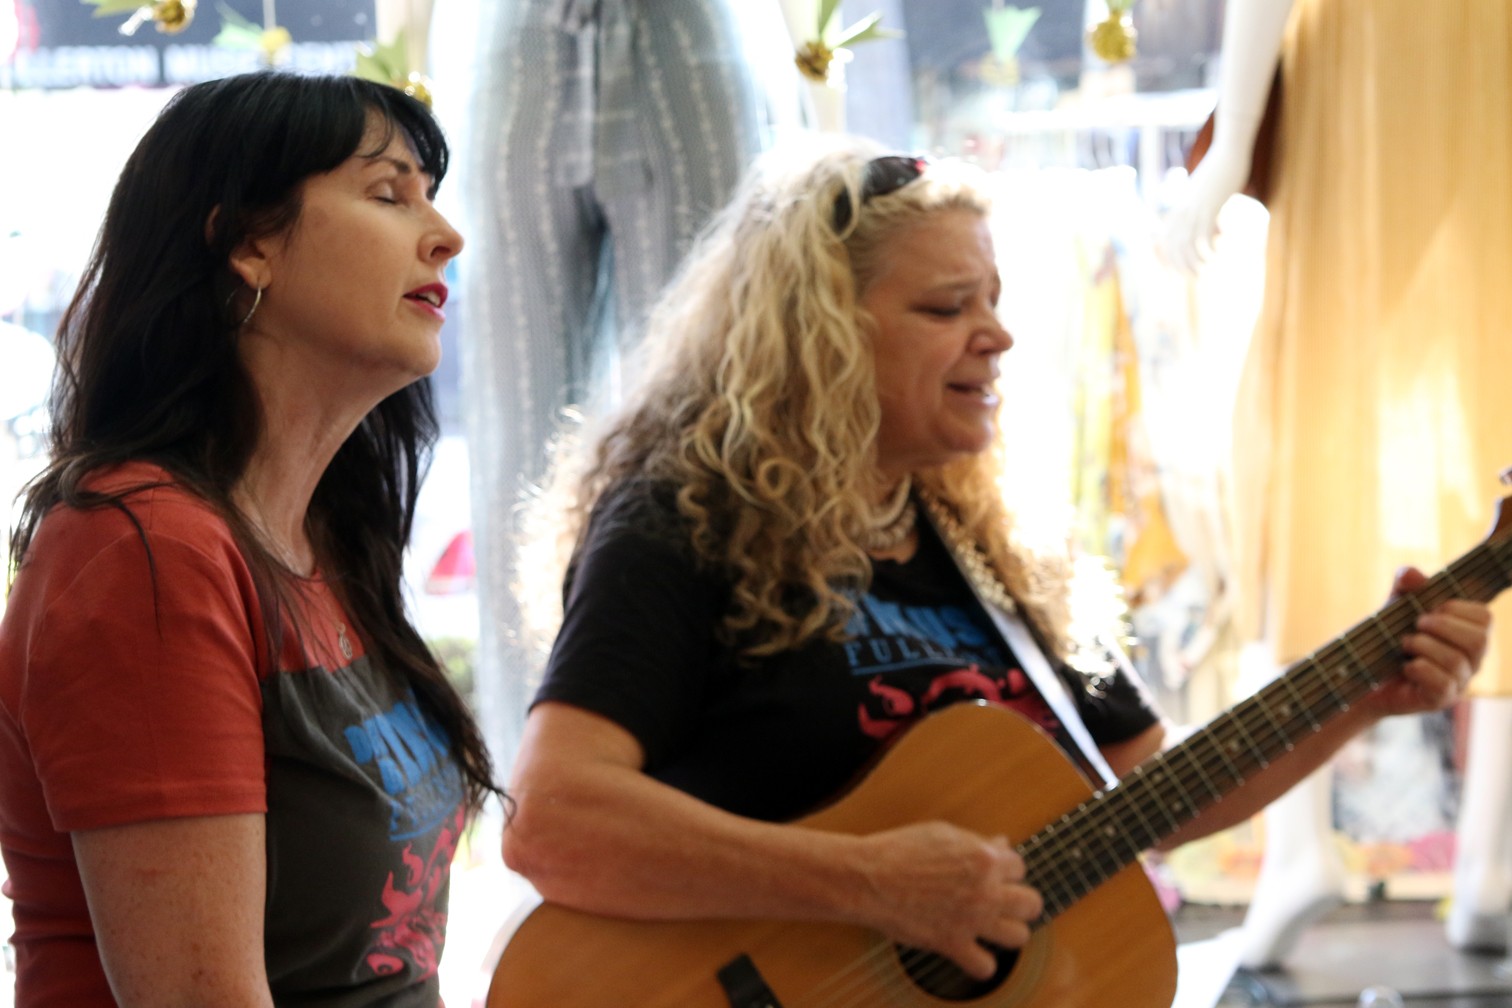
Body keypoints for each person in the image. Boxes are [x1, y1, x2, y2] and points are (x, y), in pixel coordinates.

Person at [499, 137, 1492, 987]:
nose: (1000, 335)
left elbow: (1154, 792)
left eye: (995, 301)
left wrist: (1365, 693)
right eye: (947, 308)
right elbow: (554, 821)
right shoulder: (686, 522)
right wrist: (868, 882)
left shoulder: (988, 547)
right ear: (818, 338)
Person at [0, 70, 499, 1007]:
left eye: (430, 196)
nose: (446, 235)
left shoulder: (326, 538)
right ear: (249, 243)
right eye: (388, 194)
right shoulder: (144, 553)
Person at [1161, 0, 1512, 964]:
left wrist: (1233, 143)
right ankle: (1490, 860)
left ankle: (1299, 849)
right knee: (1494, 411)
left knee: (1312, 440)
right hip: (1487, 63)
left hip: (1366, 68)